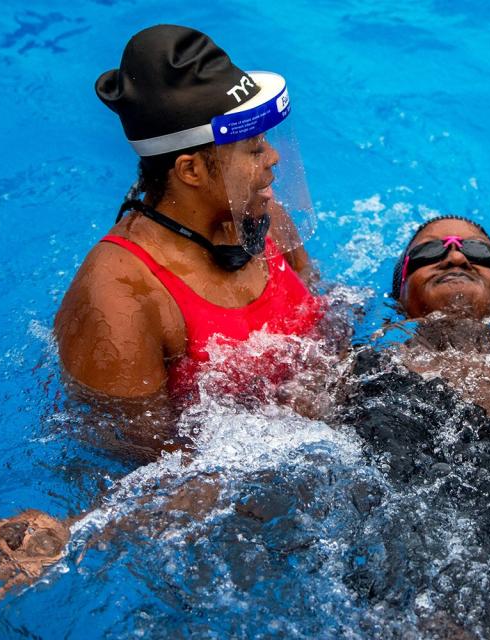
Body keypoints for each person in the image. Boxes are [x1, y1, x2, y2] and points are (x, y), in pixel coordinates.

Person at [0, 217, 490, 620]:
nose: (454, 255)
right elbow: (232, 460)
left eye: (476, 251)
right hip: (425, 602)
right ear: (401, 297)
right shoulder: (345, 376)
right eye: (429, 253)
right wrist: (80, 528)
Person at [53, 25, 326, 456]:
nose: (273, 157)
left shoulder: (263, 214)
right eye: (254, 149)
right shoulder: (121, 296)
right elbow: (145, 464)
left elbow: (324, 311)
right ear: (191, 171)